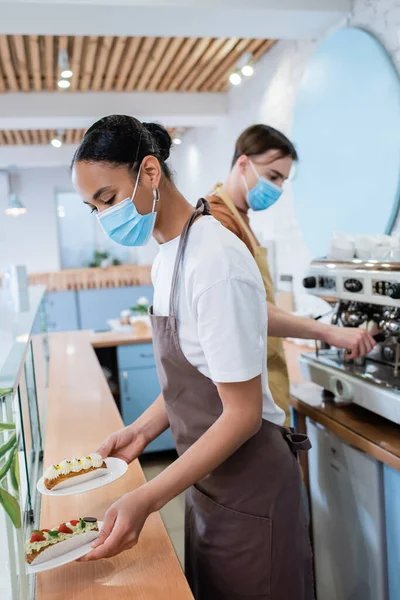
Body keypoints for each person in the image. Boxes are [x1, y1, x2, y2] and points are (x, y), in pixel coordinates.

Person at [71, 115, 314, 600]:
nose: (104, 218)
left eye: (108, 199)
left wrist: (148, 497)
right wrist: (140, 431)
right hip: (209, 481)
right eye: (91, 208)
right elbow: (196, 378)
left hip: (252, 485)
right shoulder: (169, 260)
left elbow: (241, 415)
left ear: (151, 172)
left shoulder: (216, 261)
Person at [207, 124, 375, 422]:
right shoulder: (218, 222)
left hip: (259, 372)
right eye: (272, 176)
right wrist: (330, 332)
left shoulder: (240, 218)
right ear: (243, 163)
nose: (278, 188)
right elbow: (247, 309)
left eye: (283, 180)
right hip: (242, 388)